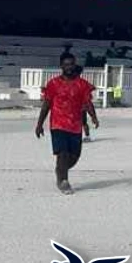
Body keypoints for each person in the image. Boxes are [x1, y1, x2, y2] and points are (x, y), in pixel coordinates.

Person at [35, 53, 99, 195]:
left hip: (75, 125)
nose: (69, 67)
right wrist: (39, 124)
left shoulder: (82, 84)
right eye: (66, 64)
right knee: (62, 153)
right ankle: (63, 181)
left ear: (75, 65)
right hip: (58, 124)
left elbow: (88, 102)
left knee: (74, 157)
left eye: (71, 64)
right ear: (61, 66)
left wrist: (94, 117)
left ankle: (60, 170)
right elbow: (46, 105)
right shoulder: (53, 84)